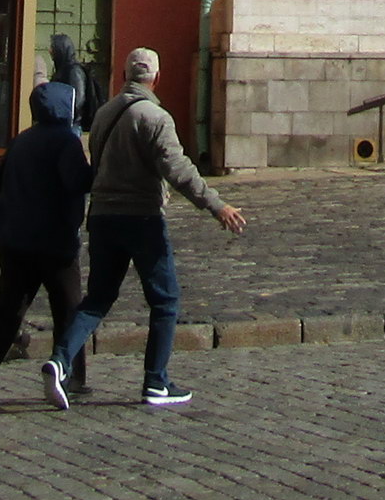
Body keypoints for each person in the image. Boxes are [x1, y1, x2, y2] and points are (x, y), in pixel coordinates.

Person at [46, 47, 247, 412]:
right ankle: (156, 380)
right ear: (156, 78)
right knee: (165, 300)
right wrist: (217, 206)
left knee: (97, 299)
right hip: (142, 218)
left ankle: (60, 360)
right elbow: (179, 170)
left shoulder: (106, 113)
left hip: (103, 217)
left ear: (124, 75)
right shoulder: (155, 116)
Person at [0, 81, 96, 412]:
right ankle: (70, 376)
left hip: (14, 239)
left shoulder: (20, 141)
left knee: (7, 310)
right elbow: (77, 183)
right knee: (70, 309)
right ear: (67, 107)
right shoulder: (66, 142)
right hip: (53, 242)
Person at [50, 29, 106, 126]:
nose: (50, 51)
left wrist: (64, 113)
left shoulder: (74, 71)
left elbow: (78, 100)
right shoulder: (62, 69)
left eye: (53, 48)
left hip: (73, 125)